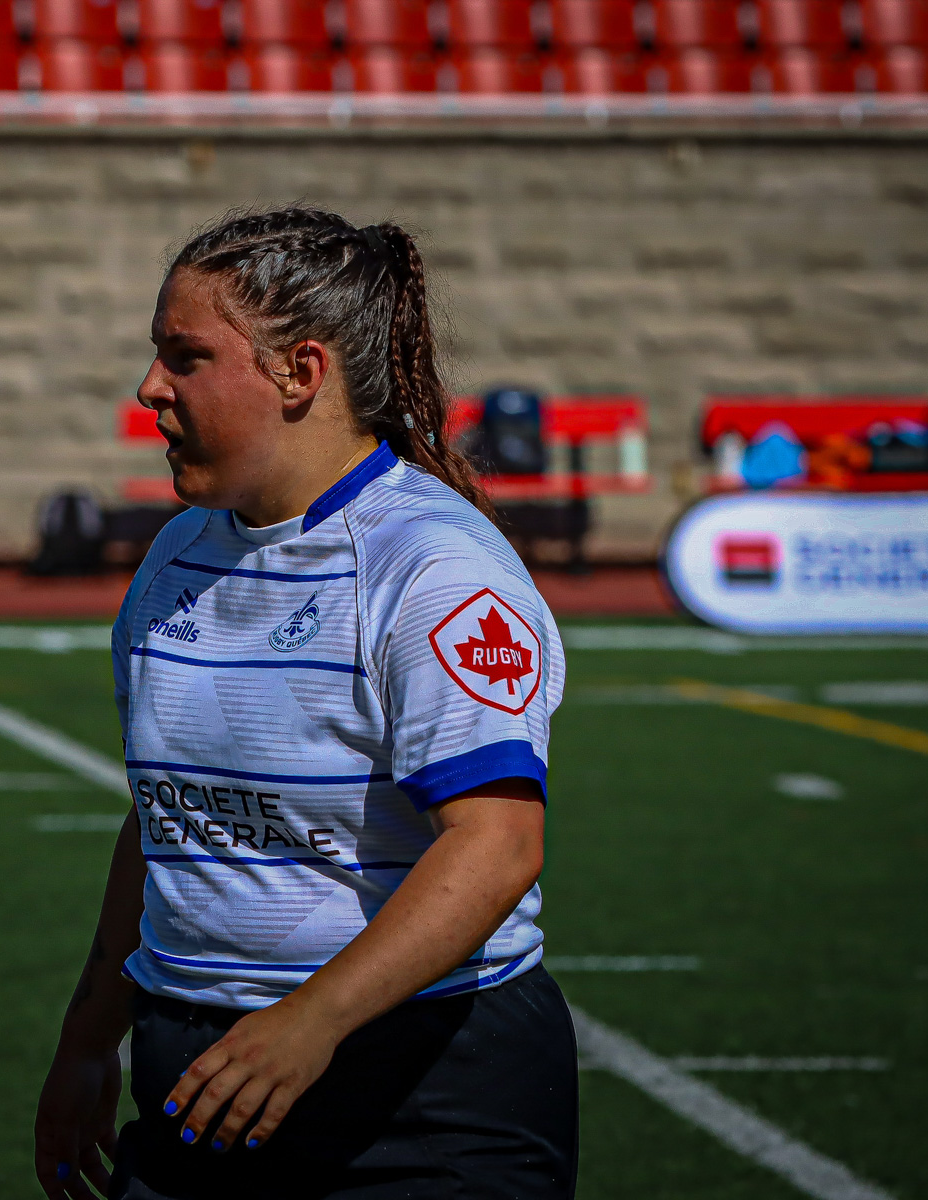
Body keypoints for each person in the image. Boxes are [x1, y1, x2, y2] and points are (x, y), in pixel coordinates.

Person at [33, 207, 575, 1200]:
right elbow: (165, 820)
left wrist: (312, 1021)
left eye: (184, 357)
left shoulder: (432, 568)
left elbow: (498, 846)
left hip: (416, 1091)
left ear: (301, 373)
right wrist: (88, 1039)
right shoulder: (175, 557)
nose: (149, 387)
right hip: (196, 1073)